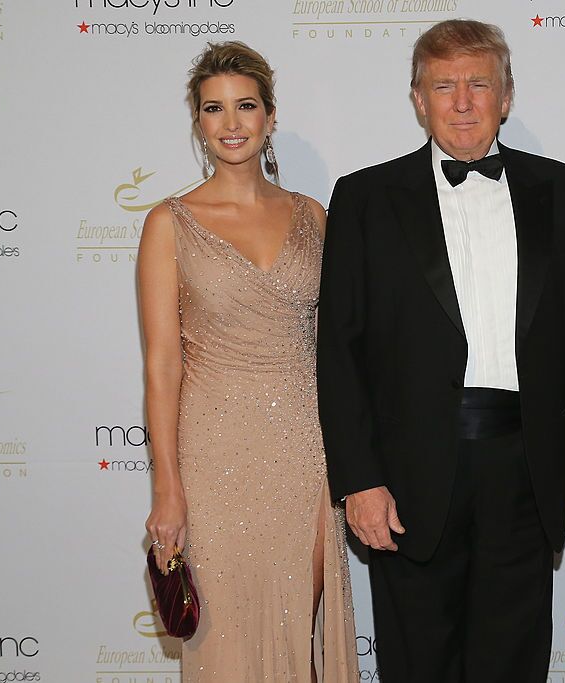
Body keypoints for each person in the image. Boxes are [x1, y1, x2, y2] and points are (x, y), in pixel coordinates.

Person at [317, 19, 565, 683]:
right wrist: (358, 480)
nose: (462, 100)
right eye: (444, 85)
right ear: (418, 99)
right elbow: (338, 352)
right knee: (417, 663)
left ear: (506, 96)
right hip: (406, 478)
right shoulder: (364, 198)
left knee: (512, 663)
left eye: (479, 83)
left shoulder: (564, 192)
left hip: (524, 471)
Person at [139, 41, 357, 682]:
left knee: (305, 635)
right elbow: (161, 368)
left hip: (306, 451)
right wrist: (167, 491)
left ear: (268, 117)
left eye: (245, 106)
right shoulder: (169, 224)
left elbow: (340, 348)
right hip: (214, 458)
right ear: (198, 123)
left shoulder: (313, 218)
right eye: (214, 109)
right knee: (230, 645)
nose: (231, 123)